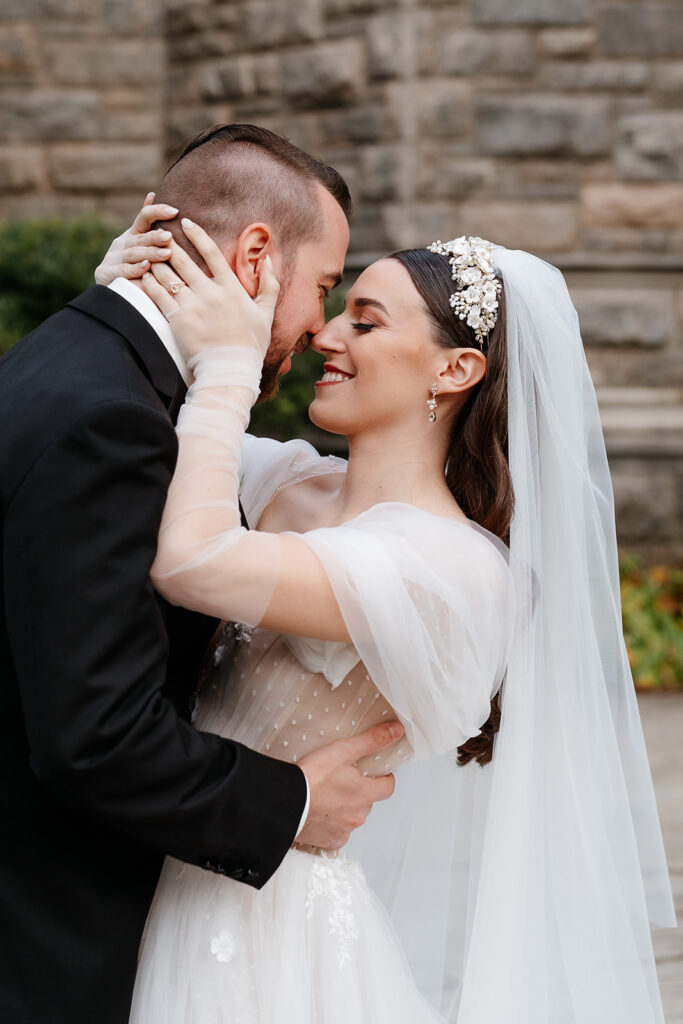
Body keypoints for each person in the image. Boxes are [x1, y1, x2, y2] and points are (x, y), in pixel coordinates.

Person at [116, 216, 676, 1022]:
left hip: (257, 926)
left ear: (454, 369)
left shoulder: (448, 571)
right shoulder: (286, 483)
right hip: (153, 872)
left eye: (365, 322)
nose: (324, 335)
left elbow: (193, 560)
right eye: (337, 308)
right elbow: (134, 430)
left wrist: (231, 370)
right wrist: (127, 292)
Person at [0, 124, 404, 1024]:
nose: (317, 327)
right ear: (256, 254)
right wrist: (292, 802)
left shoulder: (74, 359)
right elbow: (94, 734)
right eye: (325, 288)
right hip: (48, 933)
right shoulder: (112, 420)